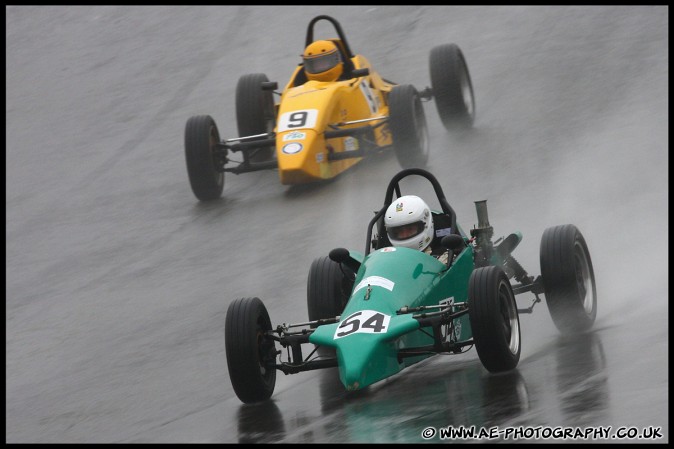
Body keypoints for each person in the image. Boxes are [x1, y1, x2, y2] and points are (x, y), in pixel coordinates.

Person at [384, 195, 450, 264]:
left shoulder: (444, 259)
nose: (405, 234)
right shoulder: (388, 259)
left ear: (426, 224)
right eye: (398, 232)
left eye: (410, 229)